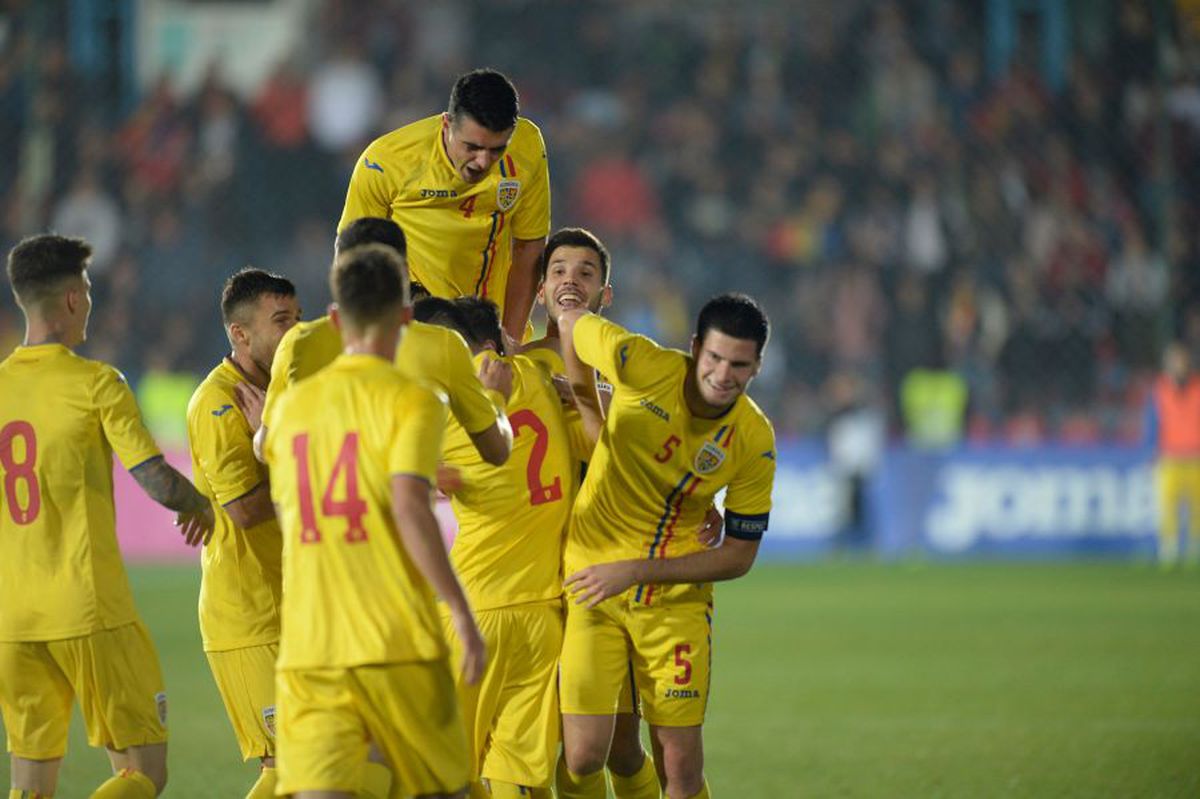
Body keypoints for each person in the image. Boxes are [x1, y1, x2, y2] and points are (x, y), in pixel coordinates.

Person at [262, 244, 485, 799]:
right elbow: (409, 504)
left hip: (312, 645)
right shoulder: (414, 399)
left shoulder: (291, 409)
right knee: (447, 791)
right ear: (406, 318)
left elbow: (282, 491)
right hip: (395, 639)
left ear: (335, 319)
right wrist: (459, 609)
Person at [0, 233, 215, 799]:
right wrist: (201, 504)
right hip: (88, 607)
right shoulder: (96, 383)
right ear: (73, 299)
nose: (91, 303)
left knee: (30, 783)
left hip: (11, 618)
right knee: (142, 773)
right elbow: (156, 479)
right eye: (89, 291)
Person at [556, 294, 777, 799]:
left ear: (757, 366)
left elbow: (740, 555)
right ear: (695, 347)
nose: (723, 375)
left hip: (674, 604)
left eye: (740, 366)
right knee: (584, 755)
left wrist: (634, 572)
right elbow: (572, 322)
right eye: (715, 359)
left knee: (679, 768)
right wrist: (590, 408)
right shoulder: (642, 362)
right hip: (593, 585)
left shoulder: (753, 438)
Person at [421, 296, 577, 799]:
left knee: (447, 771)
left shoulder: (440, 409)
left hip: (474, 609)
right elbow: (555, 344)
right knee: (519, 769)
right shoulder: (543, 370)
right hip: (543, 611)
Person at [254, 216, 512, 468]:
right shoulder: (443, 344)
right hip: (415, 501)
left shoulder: (298, 343)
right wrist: (496, 398)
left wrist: (260, 431)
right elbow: (495, 452)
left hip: (321, 507)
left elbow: (268, 449)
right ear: (403, 271)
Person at [185, 268, 300, 798]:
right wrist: (289, 455)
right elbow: (248, 510)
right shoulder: (218, 401)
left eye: (297, 318)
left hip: (296, 604)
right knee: (284, 769)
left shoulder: (288, 391)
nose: (294, 331)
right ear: (241, 333)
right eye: (281, 321)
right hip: (248, 615)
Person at [337, 68, 550, 342]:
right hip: (413, 333)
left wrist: (508, 340)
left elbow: (529, 246)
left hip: (489, 331)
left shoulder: (528, 146)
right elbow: (354, 255)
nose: (483, 161)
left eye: (497, 149)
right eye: (472, 147)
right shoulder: (386, 161)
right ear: (447, 124)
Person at [1145, 341, 1200, 566]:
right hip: (1169, 456)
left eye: (1181, 361)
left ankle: (1195, 548)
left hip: (1196, 456)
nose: (1178, 365)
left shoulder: (1197, 388)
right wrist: (1150, 451)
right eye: (1174, 361)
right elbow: (1152, 424)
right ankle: (1170, 548)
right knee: (1167, 505)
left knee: (1197, 506)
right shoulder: (1160, 390)